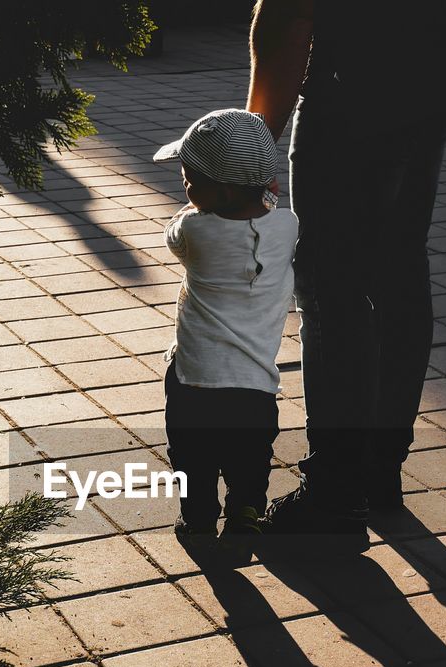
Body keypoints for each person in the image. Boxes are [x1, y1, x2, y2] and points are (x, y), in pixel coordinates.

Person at [247, 0, 446, 553]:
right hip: (435, 77)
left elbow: (288, 17)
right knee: (398, 268)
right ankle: (377, 472)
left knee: (332, 286)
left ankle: (335, 491)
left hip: (353, 95)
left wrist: (251, 149)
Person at [153, 108, 299, 564]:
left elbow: (173, 235)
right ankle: (245, 515)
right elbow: (267, 213)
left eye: (190, 178)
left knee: (192, 456)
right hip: (255, 384)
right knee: (249, 458)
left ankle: (198, 521)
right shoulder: (289, 225)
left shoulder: (195, 230)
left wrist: (197, 207)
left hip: (195, 377)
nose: (185, 185)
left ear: (223, 190)